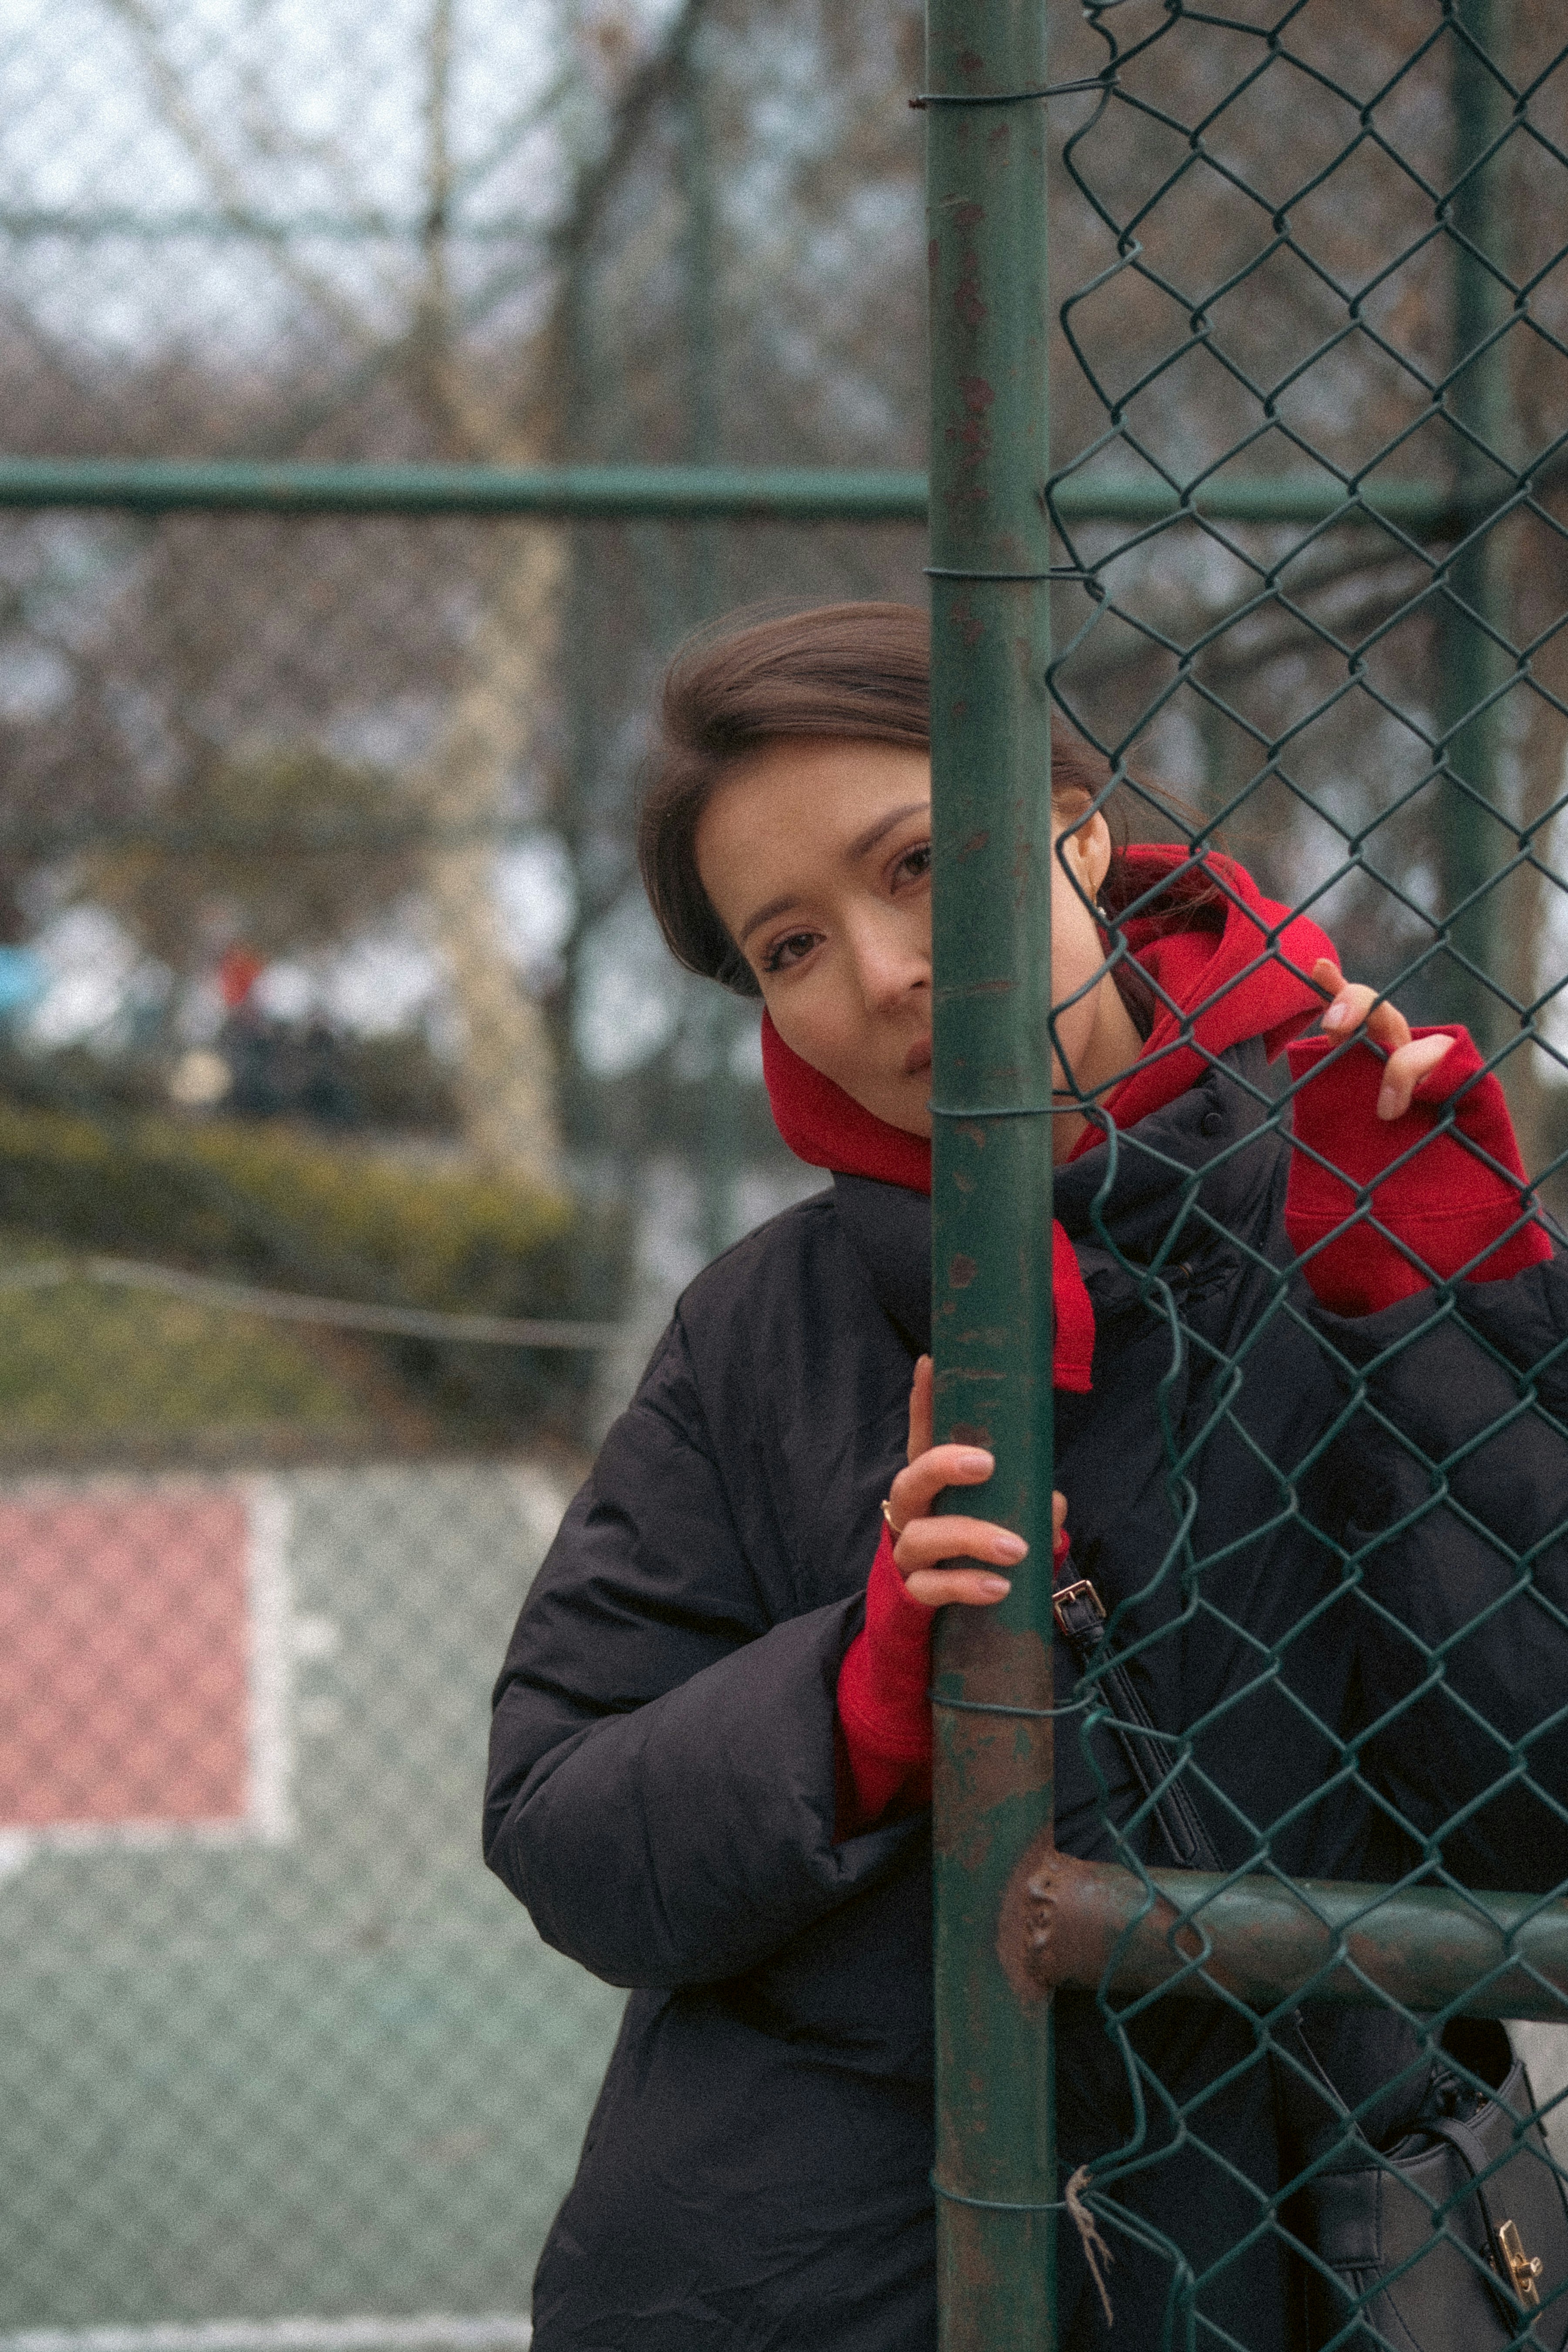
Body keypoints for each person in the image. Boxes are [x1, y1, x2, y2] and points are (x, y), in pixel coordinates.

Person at [484, 601, 1568, 2350]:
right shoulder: (761, 1335)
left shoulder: (1351, 1203)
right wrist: (858, 1706)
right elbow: (562, 1825)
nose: (881, 968)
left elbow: (1535, 1800)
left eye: (917, 862)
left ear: (1076, 831)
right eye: (787, 946)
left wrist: (1440, 1300)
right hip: (835, 2268)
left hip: (1310, 2248)